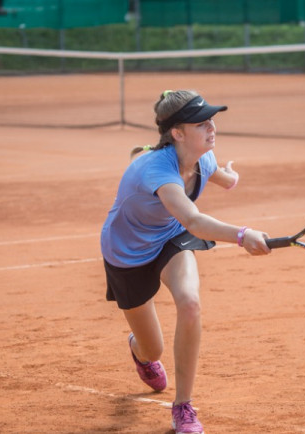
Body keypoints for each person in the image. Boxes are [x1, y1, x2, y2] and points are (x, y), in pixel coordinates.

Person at [100, 89, 271, 434]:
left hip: (169, 239)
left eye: (212, 120)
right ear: (177, 133)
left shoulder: (202, 159)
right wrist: (242, 235)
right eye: (202, 123)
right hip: (126, 253)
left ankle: (183, 407)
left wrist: (231, 176)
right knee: (153, 348)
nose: (212, 128)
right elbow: (194, 220)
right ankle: (141, 353)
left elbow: (221, 178)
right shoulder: (155, 171)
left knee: (190, 302)